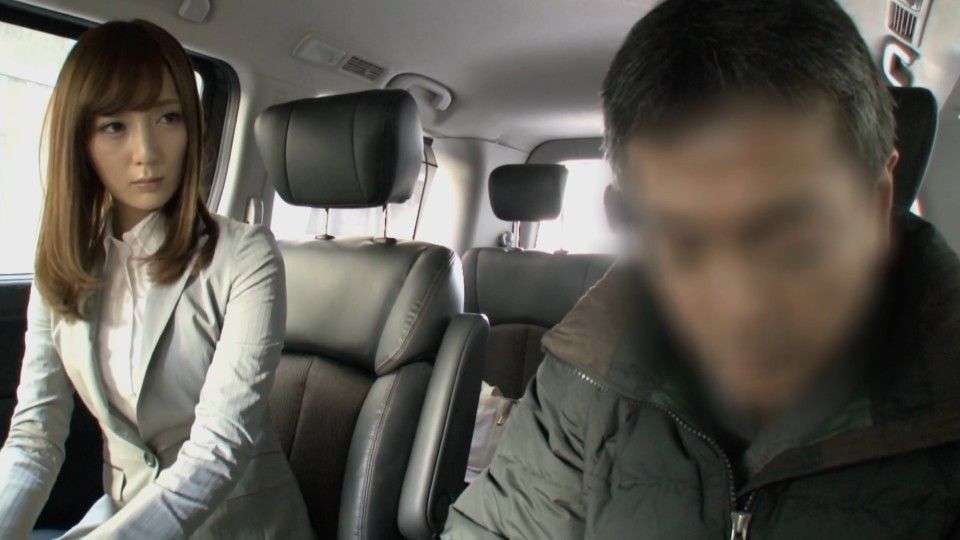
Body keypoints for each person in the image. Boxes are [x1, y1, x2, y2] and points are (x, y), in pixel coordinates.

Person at [443, 0, 960, 538]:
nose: (738, 307)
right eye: (680, 240)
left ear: (878, 202)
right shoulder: (592, 369)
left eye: (790, 240)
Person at [0, 20, 313, 539]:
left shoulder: (246, 256)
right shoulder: (62, 261)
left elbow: (219, 449)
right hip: (124, 515)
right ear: (81, 140)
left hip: (239, 526)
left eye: (168, 117)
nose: (146, 151)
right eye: (114, 126)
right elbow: (34, 440)